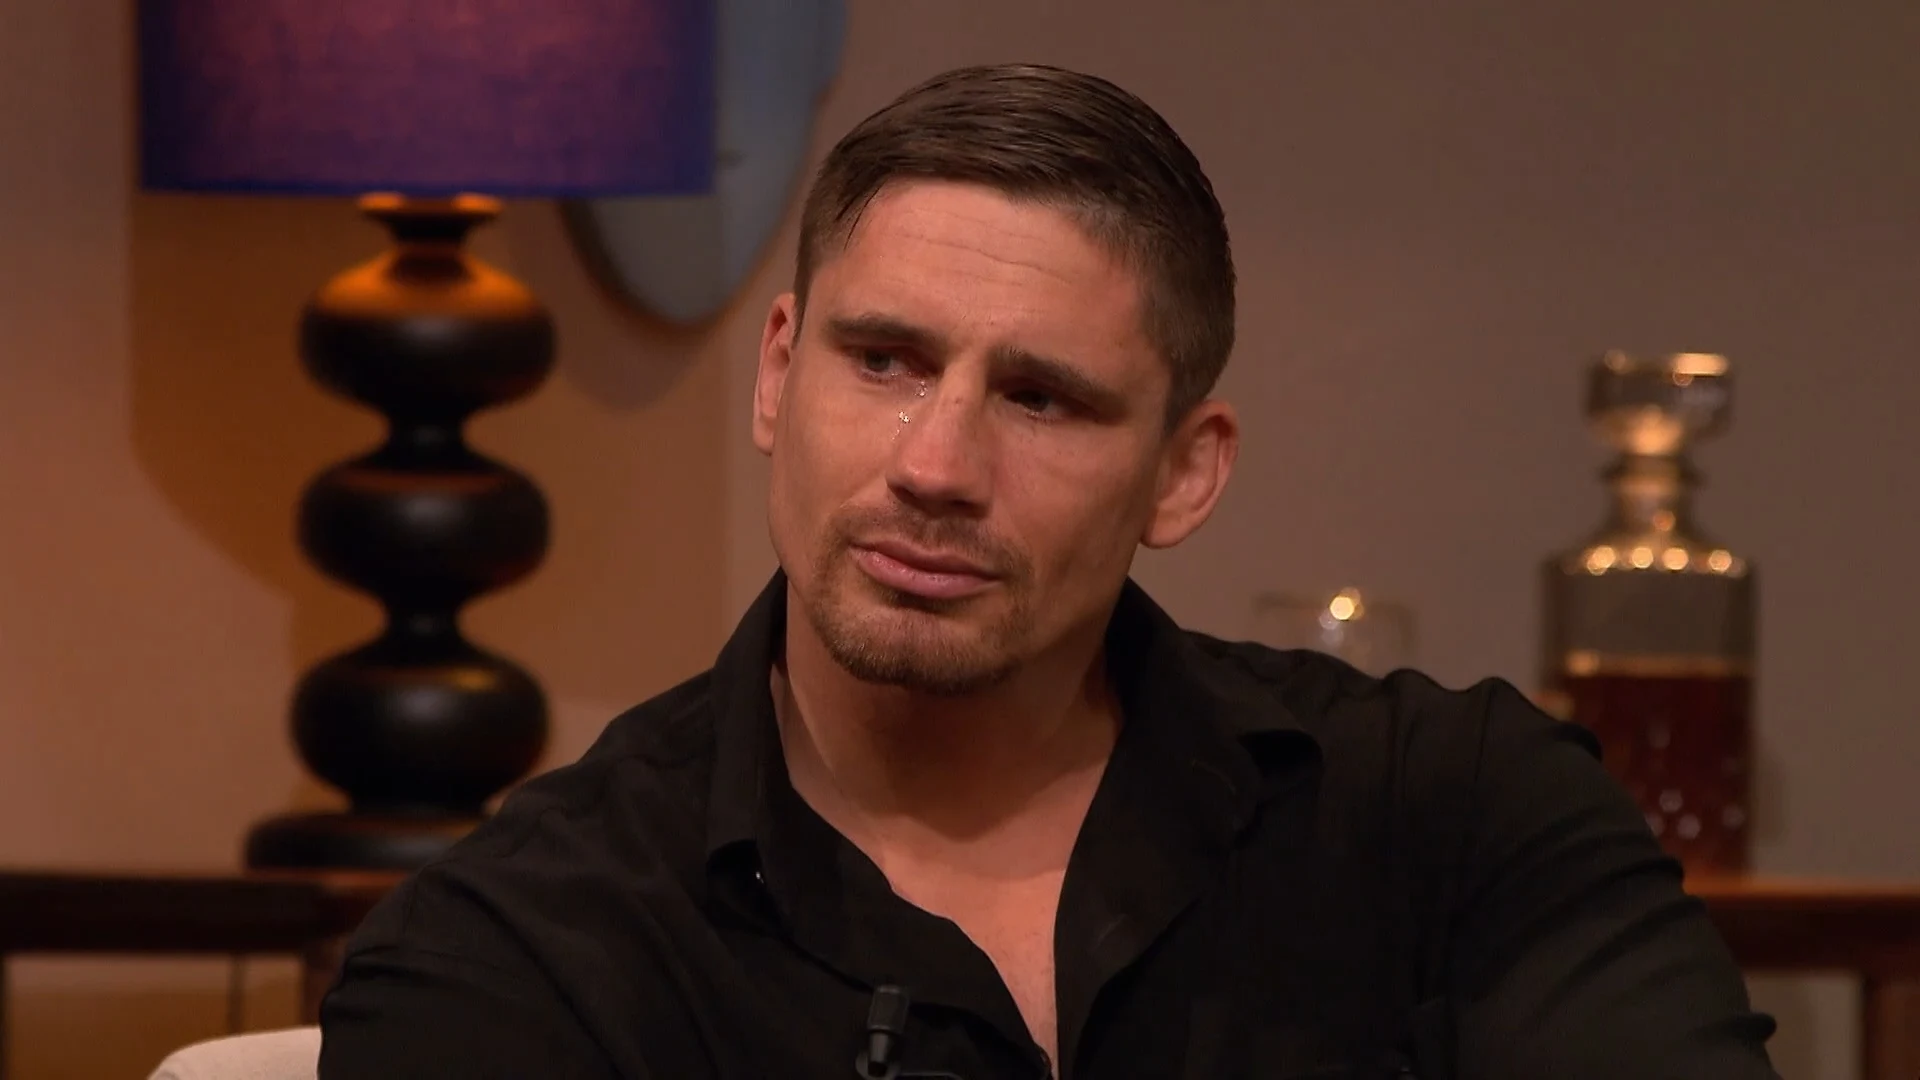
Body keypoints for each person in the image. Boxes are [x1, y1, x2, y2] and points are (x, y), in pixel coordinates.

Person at [318, 63, 1779, 1079]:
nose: (937, 464)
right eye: (884, 361)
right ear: (777, 373)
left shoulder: (1462, 817)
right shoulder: (517, 954)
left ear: (1185, 472)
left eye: (1040, 398)